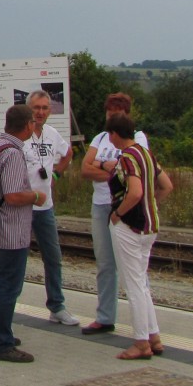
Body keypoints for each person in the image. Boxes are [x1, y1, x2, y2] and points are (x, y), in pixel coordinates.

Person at [104, 112, 174, 359]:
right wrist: (150, 203)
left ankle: (141, 342)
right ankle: (154, 336)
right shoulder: (146, 154)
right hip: (150, 225)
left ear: (114, 134)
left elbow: (134, 192)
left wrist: (118, 214)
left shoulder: (127, 158)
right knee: (142, 282)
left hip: (130, 227)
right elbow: (166, 185)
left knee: (133, 285)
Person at [80, 92, 149, 336]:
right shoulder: (101, 138)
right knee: (105, 263)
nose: (111, 122)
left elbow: (133, 172)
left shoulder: (138, 138)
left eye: (116, 117)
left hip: (126, 209)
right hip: (101, 205)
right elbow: (84, 169)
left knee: (133, 267)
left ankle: (145, 325)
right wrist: (109, 169)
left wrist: (105, 168)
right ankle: (105, 316)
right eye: (109, 116)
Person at [0, 104, 44, 362]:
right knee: (9, 285)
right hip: (12, 228)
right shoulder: (14, 154)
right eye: (33, 122)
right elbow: (13, 194)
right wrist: (37, 196)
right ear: (28, 125)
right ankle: (1, 343)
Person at [23, 90, 78, 326]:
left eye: (45, 108)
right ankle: (1, 304)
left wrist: (56, 172)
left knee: (53, 257)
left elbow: (68, 153)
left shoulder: (52, 134)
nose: (41, 112)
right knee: (12, 260)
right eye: (36, 108)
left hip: (45, 207)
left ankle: (57, 306)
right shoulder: (21, 136)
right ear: (29, 109)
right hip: (21, 207)